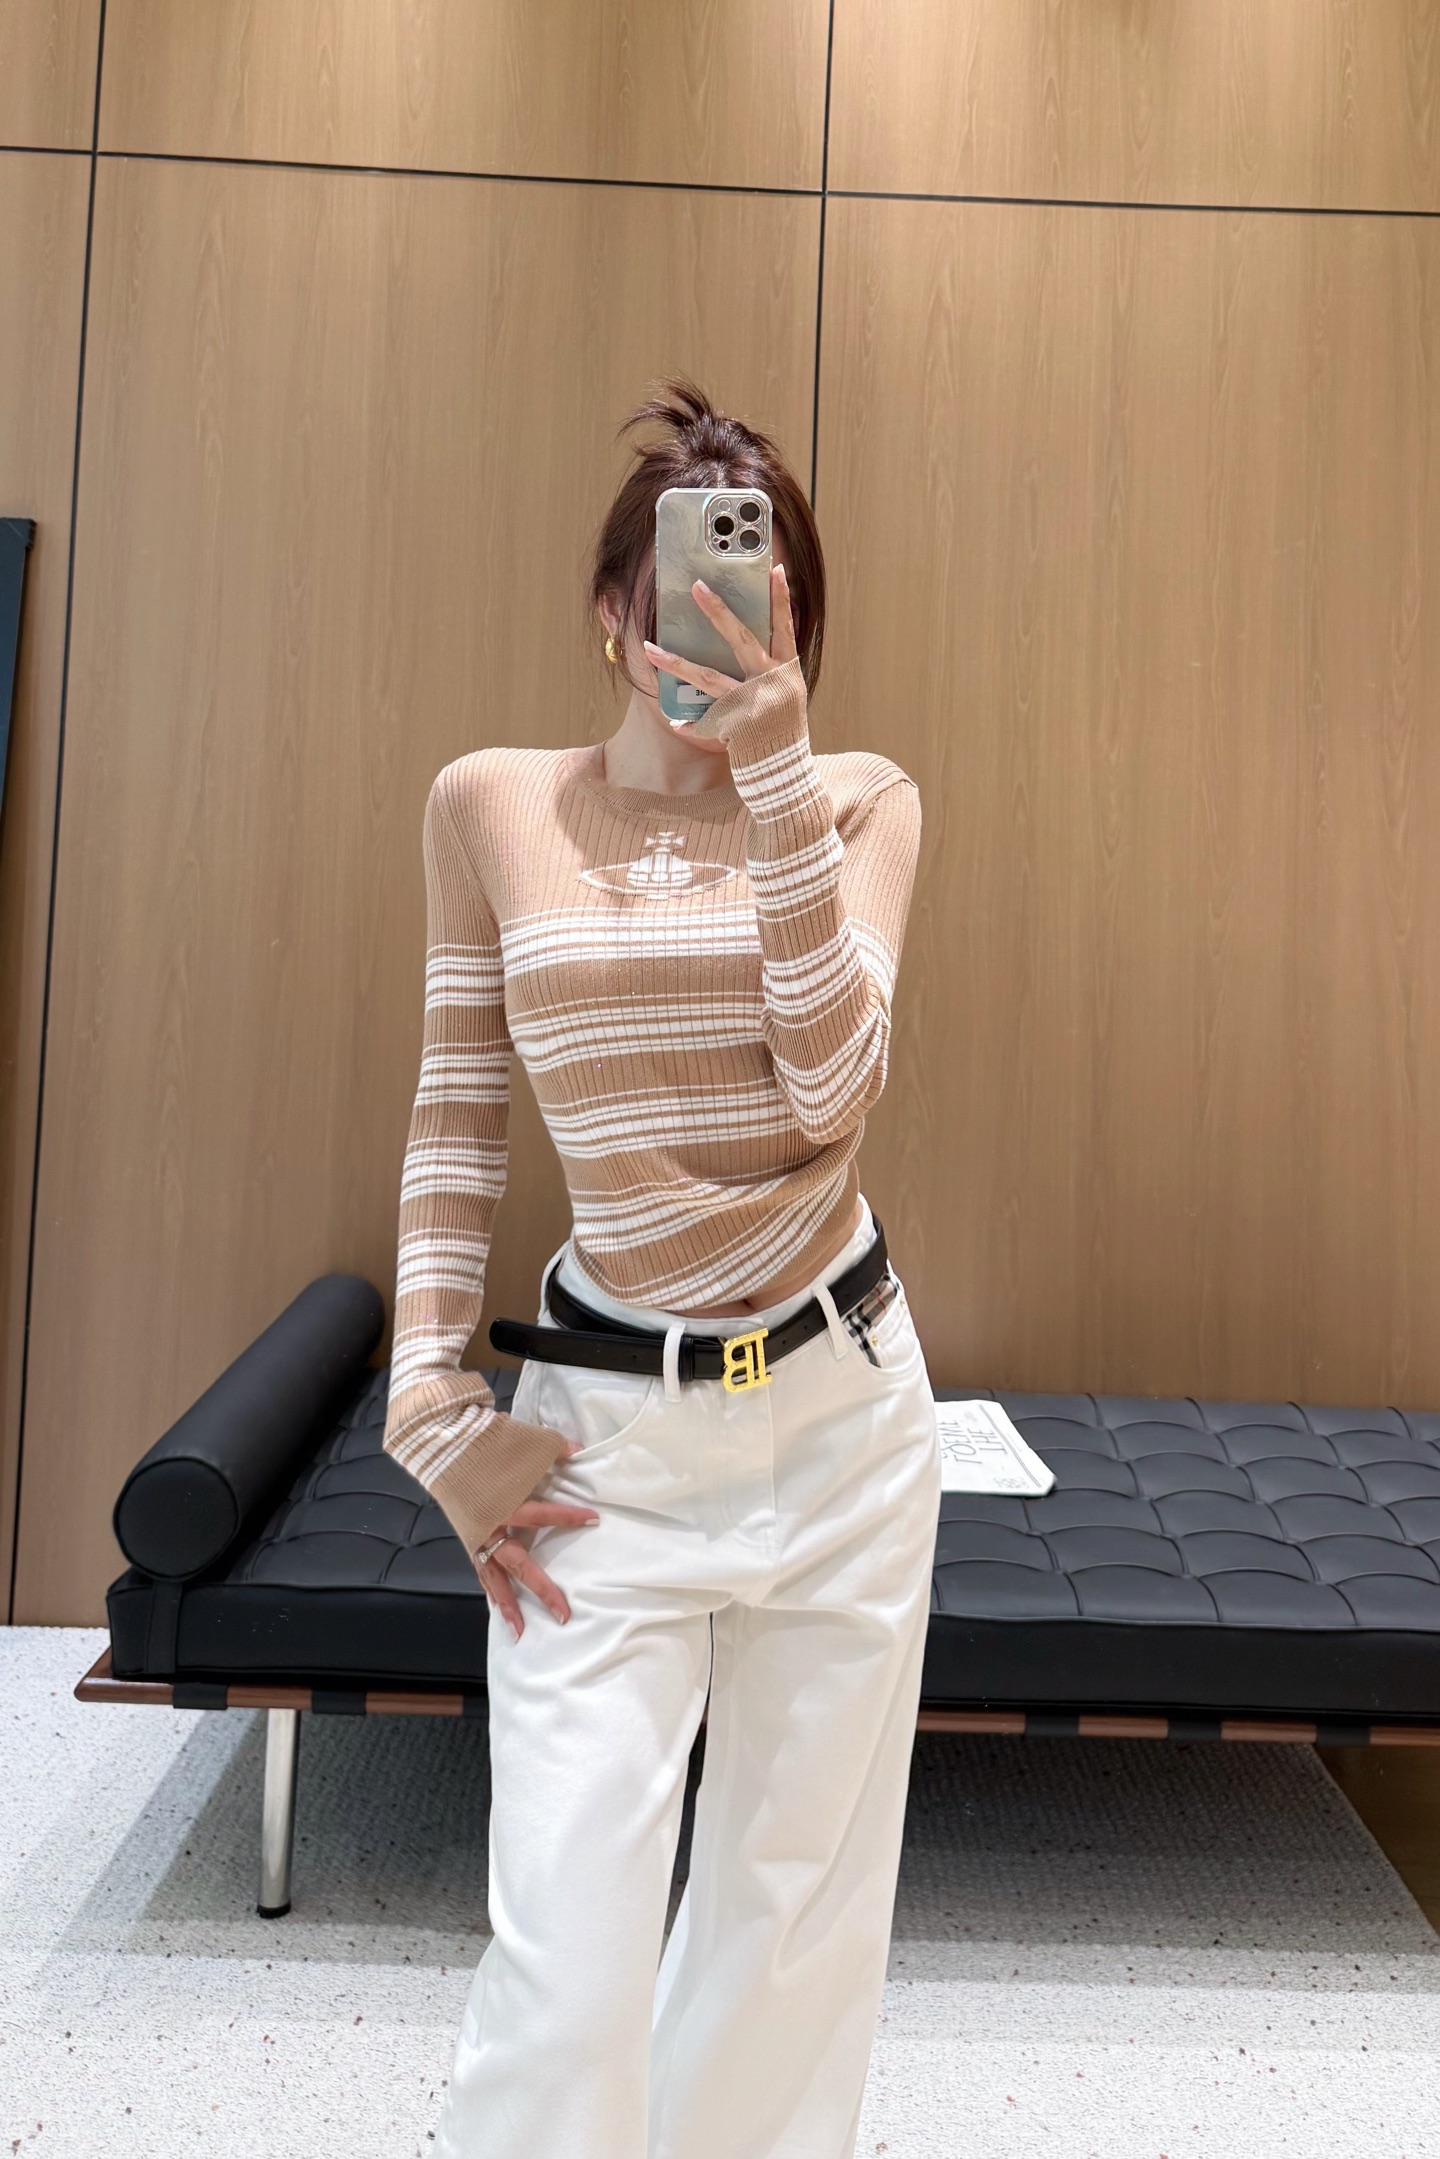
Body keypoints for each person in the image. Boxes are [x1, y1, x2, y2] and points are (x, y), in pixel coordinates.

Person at [382, 379, 940, 2159]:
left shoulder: (858, 802)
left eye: (756, 601)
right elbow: (457, 1113)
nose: (705, 629)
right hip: (606, 1439)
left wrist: (773, 776)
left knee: (787, 1947)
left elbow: (833, 1086)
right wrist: (427, 1408)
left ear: (799, 629)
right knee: (566, 1967)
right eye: (673, 595)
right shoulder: (491, 808)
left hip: (844, 1421)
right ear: (609, 612)